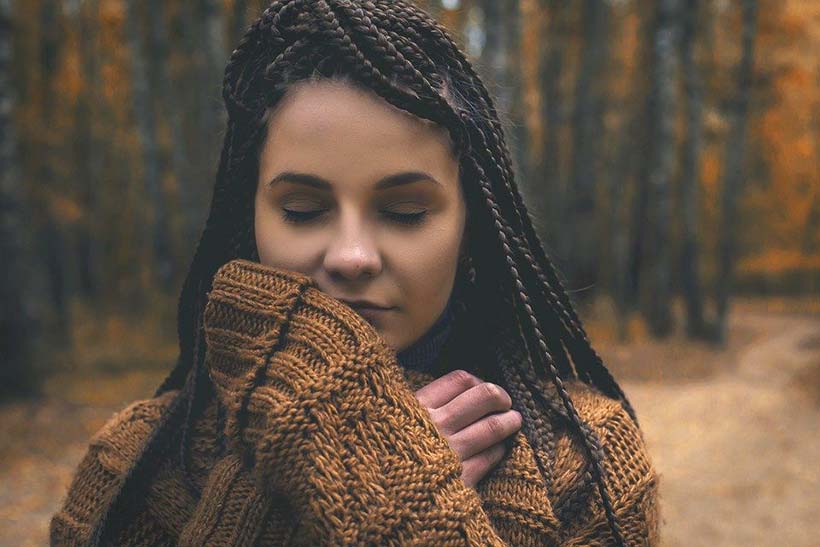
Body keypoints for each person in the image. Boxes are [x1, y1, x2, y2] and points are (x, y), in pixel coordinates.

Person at [51, 1, 659, 545]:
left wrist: (404, 515)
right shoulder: (133, 464)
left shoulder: (586, 463)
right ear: (252, 220)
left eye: (404, 212)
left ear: (471, 228)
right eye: (303, 210)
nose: (351, 256)